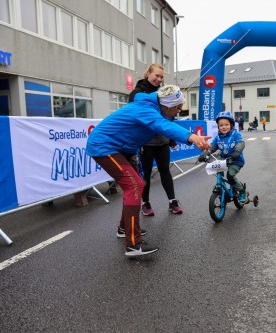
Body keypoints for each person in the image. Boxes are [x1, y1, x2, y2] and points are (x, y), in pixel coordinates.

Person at [86, 85, 211, 257]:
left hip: (124, 148)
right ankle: (133, 245)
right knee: (135, 185)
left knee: (137, 184)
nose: (179, 110)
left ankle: (124, 229)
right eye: (178, 107)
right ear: (167, 106)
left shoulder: (157, 106)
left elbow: (164, 125)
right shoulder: (146, 109)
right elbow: (162, 125)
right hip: (104, 146)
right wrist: (192, 137)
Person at [129, 64, 183, 216]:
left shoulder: (163, 93)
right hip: (146, 143)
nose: (159, 79)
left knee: (165, 171)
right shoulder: (136, 93)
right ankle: (145, 204)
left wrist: (172, 140)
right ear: (148, 74)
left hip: (163, 141)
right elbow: (133, 120)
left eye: (161, 77)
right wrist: (137, 143)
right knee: (145, 173)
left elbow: (169, 116)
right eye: (156, 76)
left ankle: (172, 201)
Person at [198, 111, 248, 203]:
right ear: (218, 126)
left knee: (230, 176)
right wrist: (204, 154)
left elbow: (241, 143)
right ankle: (220, 186)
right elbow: (212, 148)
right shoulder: (218, 137)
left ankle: (242, 192)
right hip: (223, 160)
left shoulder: (235, 134)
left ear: (231, 125)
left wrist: (237, 151)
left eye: (226, 124)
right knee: (218, 170)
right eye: (221, 125)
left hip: (235, 160)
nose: (224, 127)